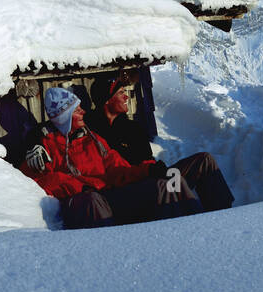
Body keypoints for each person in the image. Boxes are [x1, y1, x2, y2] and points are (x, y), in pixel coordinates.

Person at [23, 86, 210, 229]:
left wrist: (148, 170)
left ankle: (193, 230)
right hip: (85, 201)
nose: (83, 113)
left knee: (166, 182)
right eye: (77, 110)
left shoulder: (93, 139)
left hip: (112, 193)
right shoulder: (46, 146)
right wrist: (83, 186)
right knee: (93, 200)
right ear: (65, 116)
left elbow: (118, 170)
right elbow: (41, 181)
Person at [86, 73, 236, 213]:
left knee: (204, 160)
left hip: (150, 177)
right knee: (171, 183)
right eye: (120, 93)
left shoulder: (133, 129)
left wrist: (155, 169)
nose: (126, 97)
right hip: (128, 188)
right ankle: (192, 220)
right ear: (106, 100)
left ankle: (223, 215)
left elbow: (148, 159)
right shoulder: (92, 133)